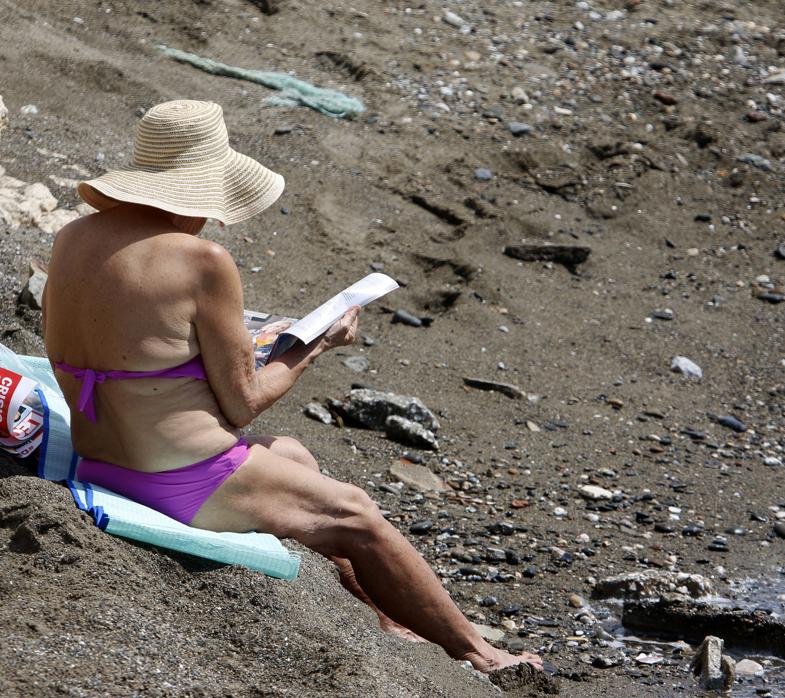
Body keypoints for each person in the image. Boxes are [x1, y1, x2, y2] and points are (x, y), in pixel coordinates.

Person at [42, 100, 540, 673]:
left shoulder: (72, 238)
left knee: (295, 457)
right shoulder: (203, 261)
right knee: (356, 513)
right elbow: (243, 404)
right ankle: (482, 652)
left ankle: (387, 615)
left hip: (101, 459)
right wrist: (316, 345)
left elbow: (124, 348)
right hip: (178, 479)